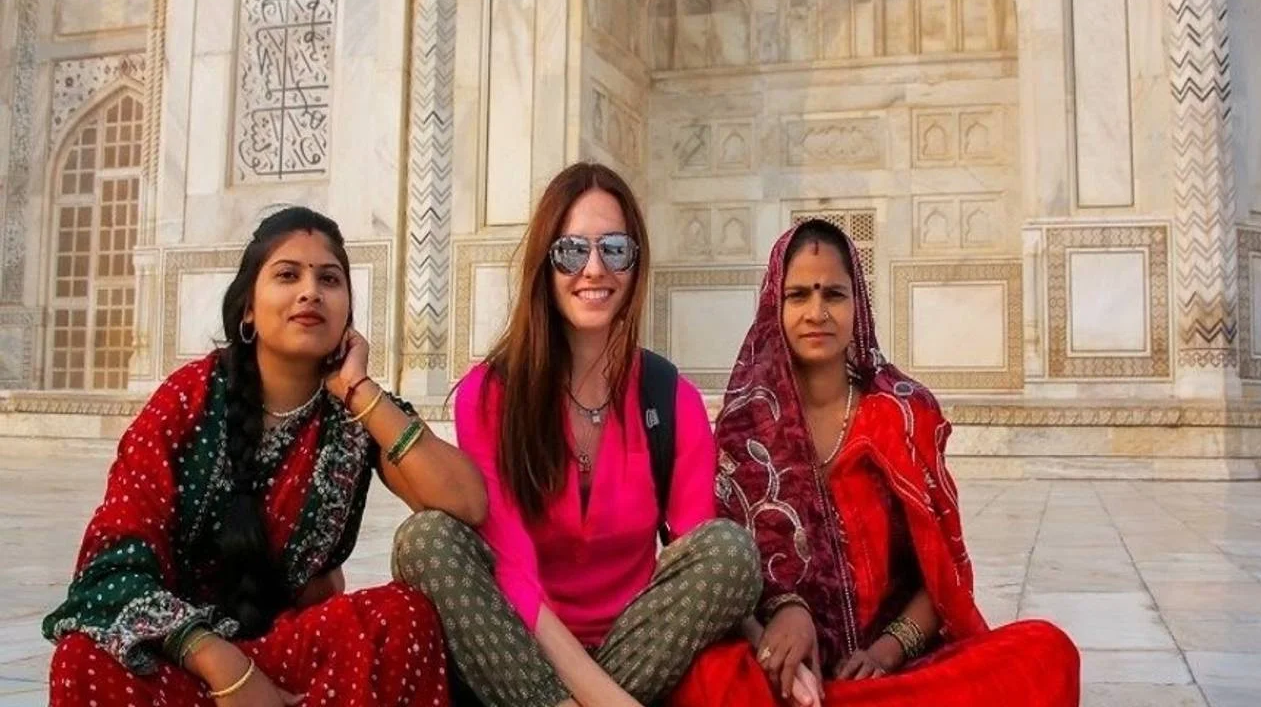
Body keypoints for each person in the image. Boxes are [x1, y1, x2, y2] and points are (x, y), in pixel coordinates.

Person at [43, 206, 486, 706]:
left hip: (286, 657)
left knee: (402, 617)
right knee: (83, 658)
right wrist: (224, 666)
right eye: (288, 275)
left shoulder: (355, 416)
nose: (310, 291)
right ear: (248, 309)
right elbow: (111, 563)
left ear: (347, 314)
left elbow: (467, 502)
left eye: (329, 279)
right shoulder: (188, 400)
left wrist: (358, 390)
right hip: (181, 656)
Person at [392, 162, 761, 707]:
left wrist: (766, 637)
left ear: (636, 263)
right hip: (518, 650)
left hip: (638, 648)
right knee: (425, 539)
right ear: (545, 263)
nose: (594, 269)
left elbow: (697, 546)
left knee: (731, 551)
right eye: (571, 250)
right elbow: (512, 568)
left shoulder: (669, 397)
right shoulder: (490, 394)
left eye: (615, 249)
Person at [670, 220, 1080, 707]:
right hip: (786, 679)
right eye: (798, 295)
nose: (817, 313)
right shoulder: (745, 427)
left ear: (858, 304)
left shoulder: (901, 413)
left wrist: (886, 653)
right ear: (773, 306)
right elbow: (725, 575)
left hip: (895, 677)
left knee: (1046, 650)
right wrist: (776, 628)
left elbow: (941, 577)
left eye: (834, 295)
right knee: (710, 676)